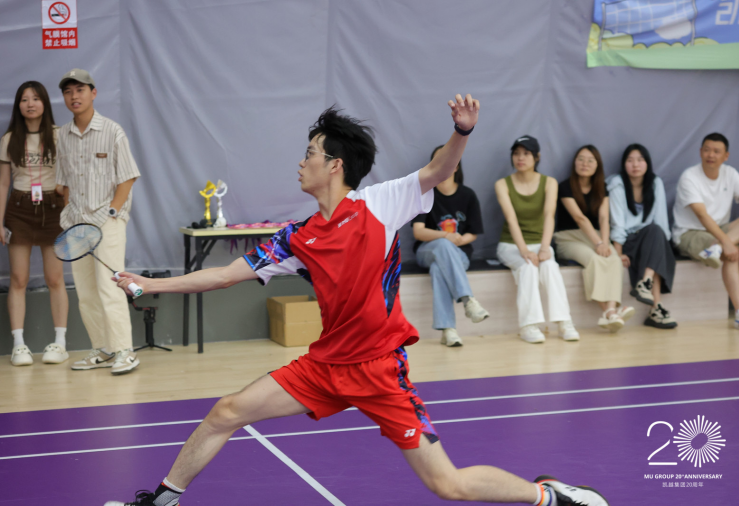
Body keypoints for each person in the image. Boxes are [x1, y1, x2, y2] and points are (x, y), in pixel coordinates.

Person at [105, 96, 608, 506]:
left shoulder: (379, 204)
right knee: (226, 411)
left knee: (447, 484)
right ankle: (161, 502)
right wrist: (151, 284)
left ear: (335, 165)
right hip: (325, 366)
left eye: (310, 153)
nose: (301, 161)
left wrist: (462, 131)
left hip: (379, 369)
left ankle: (550, 496)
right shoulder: (296, 237)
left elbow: (439, 169)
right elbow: (221, 276)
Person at [55, 69, 142, 374]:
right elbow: (63, 183)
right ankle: (103, 349)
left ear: (93, 93)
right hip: (76, 225)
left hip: (107, 223)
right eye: (68, 92)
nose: (74, 96)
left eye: (80, 90)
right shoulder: (62, 135)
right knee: (86, 292)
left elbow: (128, 177)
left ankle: (125, 351)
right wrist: (70, 216)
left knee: (110, 287)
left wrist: (112, 213)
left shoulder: (112, 131)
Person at [0, 81, 69, 366]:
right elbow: (3, 183)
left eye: (36, 98)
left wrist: (70, 211)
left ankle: (60, 343)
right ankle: (19, 345)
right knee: (19, 279)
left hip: (54, 207)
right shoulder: (9, 139)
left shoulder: (60, 135)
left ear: (45, 103)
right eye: (25, 99)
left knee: (55, 278)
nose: (30, 104)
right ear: (18, 105)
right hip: (19, 208)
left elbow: (69, 178)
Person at [672, 132, 739, 331]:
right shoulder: (689, 177)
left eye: (716, 151)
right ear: (700, 152)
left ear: (726, 156)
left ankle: (717, 248)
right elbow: (702, 215)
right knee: (731, 254)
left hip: (720, 231)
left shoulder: (730, 173)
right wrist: (727, 243)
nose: (710, 155)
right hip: (690, 233)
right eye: (707, 150)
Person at [495, 135, 579, 343]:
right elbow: (511, 219)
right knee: (528, 267)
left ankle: (564, 322)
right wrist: (524, 250)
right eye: (516, 153)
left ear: (537, 157)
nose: (520, 158)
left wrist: (544, 247)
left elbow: (550, 215)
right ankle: (529, 326)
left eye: (526, 153)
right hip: (511, 245)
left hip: (540, 242)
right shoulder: (502, 184)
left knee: (550, 266)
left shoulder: (549, 182)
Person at [411, 145, 489, 347]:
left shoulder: (468, 195)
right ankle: (468, 300)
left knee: (439, 269)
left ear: (456, 166)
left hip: (459, 253)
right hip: (427, 250)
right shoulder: (425, 193)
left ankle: (448, 330)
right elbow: (418, 232)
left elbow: (473, 233)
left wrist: (461, 240)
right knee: (443, 246)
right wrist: (446, 235)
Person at [554, 145, 634, 332]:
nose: (585, 164)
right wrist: (599, 243)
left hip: (596, 235)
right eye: (581, 159)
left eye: (590, 160)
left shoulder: (602, 187)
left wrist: (605, 243)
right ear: (574, 162)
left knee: (614, 259)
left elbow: (604, 218)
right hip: (568, 238)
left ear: (597, 165)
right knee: (595, 259)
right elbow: (579, 218)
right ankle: (609, 312)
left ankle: (610, 311)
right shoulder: (564, 186)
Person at [608, 144, 677, 329]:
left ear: (647, 163)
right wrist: (618, 253)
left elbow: (661, 220)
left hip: (649, 238)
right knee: (656, 238)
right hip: (627, 240)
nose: (635, 165)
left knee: (657, 232)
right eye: (630, 160)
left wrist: (661, 245)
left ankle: (646, 283)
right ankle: (656, 307)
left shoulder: (655, 183)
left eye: (640, 160)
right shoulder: (617, 184)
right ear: (624, 164)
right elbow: (617, 223)